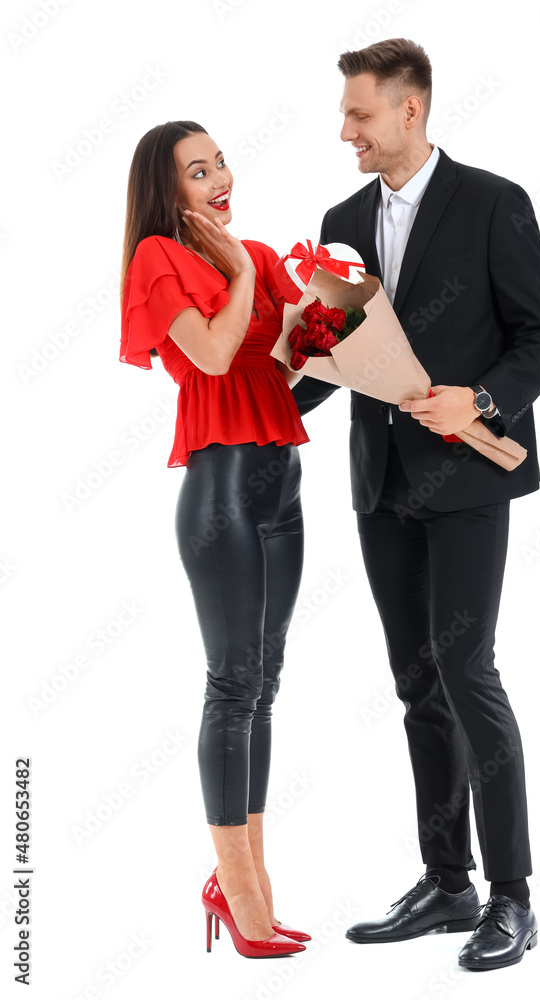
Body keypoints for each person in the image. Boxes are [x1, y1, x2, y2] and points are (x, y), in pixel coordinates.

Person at [292, 40, 540, 971]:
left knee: (467, 674)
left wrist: (479, 400)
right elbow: (331, 360)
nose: (346, 132)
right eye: (345, 115)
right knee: (416, 681)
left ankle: (513, 897)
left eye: (359, 115)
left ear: (408, 111)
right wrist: (251, 402)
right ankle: (447, 882)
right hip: (379, 484)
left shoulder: (494, 203)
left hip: (465, 483)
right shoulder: (339, 220)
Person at [119, 121, 310, 959]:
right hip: (221, 491)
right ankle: (238, 895)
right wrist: (236, 271)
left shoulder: (261, 256)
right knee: (232, 684)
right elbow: (213, 350)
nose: (221, 178)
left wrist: (338, 324)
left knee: (264, 683)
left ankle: (251, 885)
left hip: (282, 486)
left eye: (221, 161)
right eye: (199, 172)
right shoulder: (159, 260)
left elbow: (291, 369)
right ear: (168, 195)